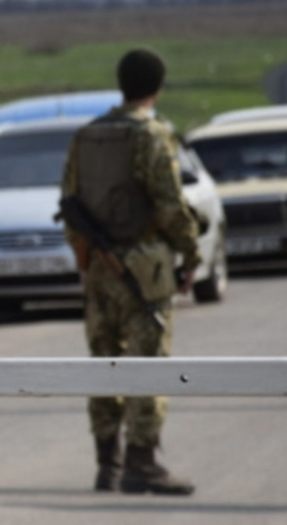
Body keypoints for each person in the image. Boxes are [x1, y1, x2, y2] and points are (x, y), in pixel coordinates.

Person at [60, 48, 199, 496]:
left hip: (99, 269)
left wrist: (86, 259)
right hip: (145, 270)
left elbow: (70, 201)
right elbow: (170, 204)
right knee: (148, 362)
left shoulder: (87, 136)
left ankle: (108, 464)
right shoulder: (152, 135)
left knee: (103, 362)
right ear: (156, 88)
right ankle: (141, 463)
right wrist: (191, 253)